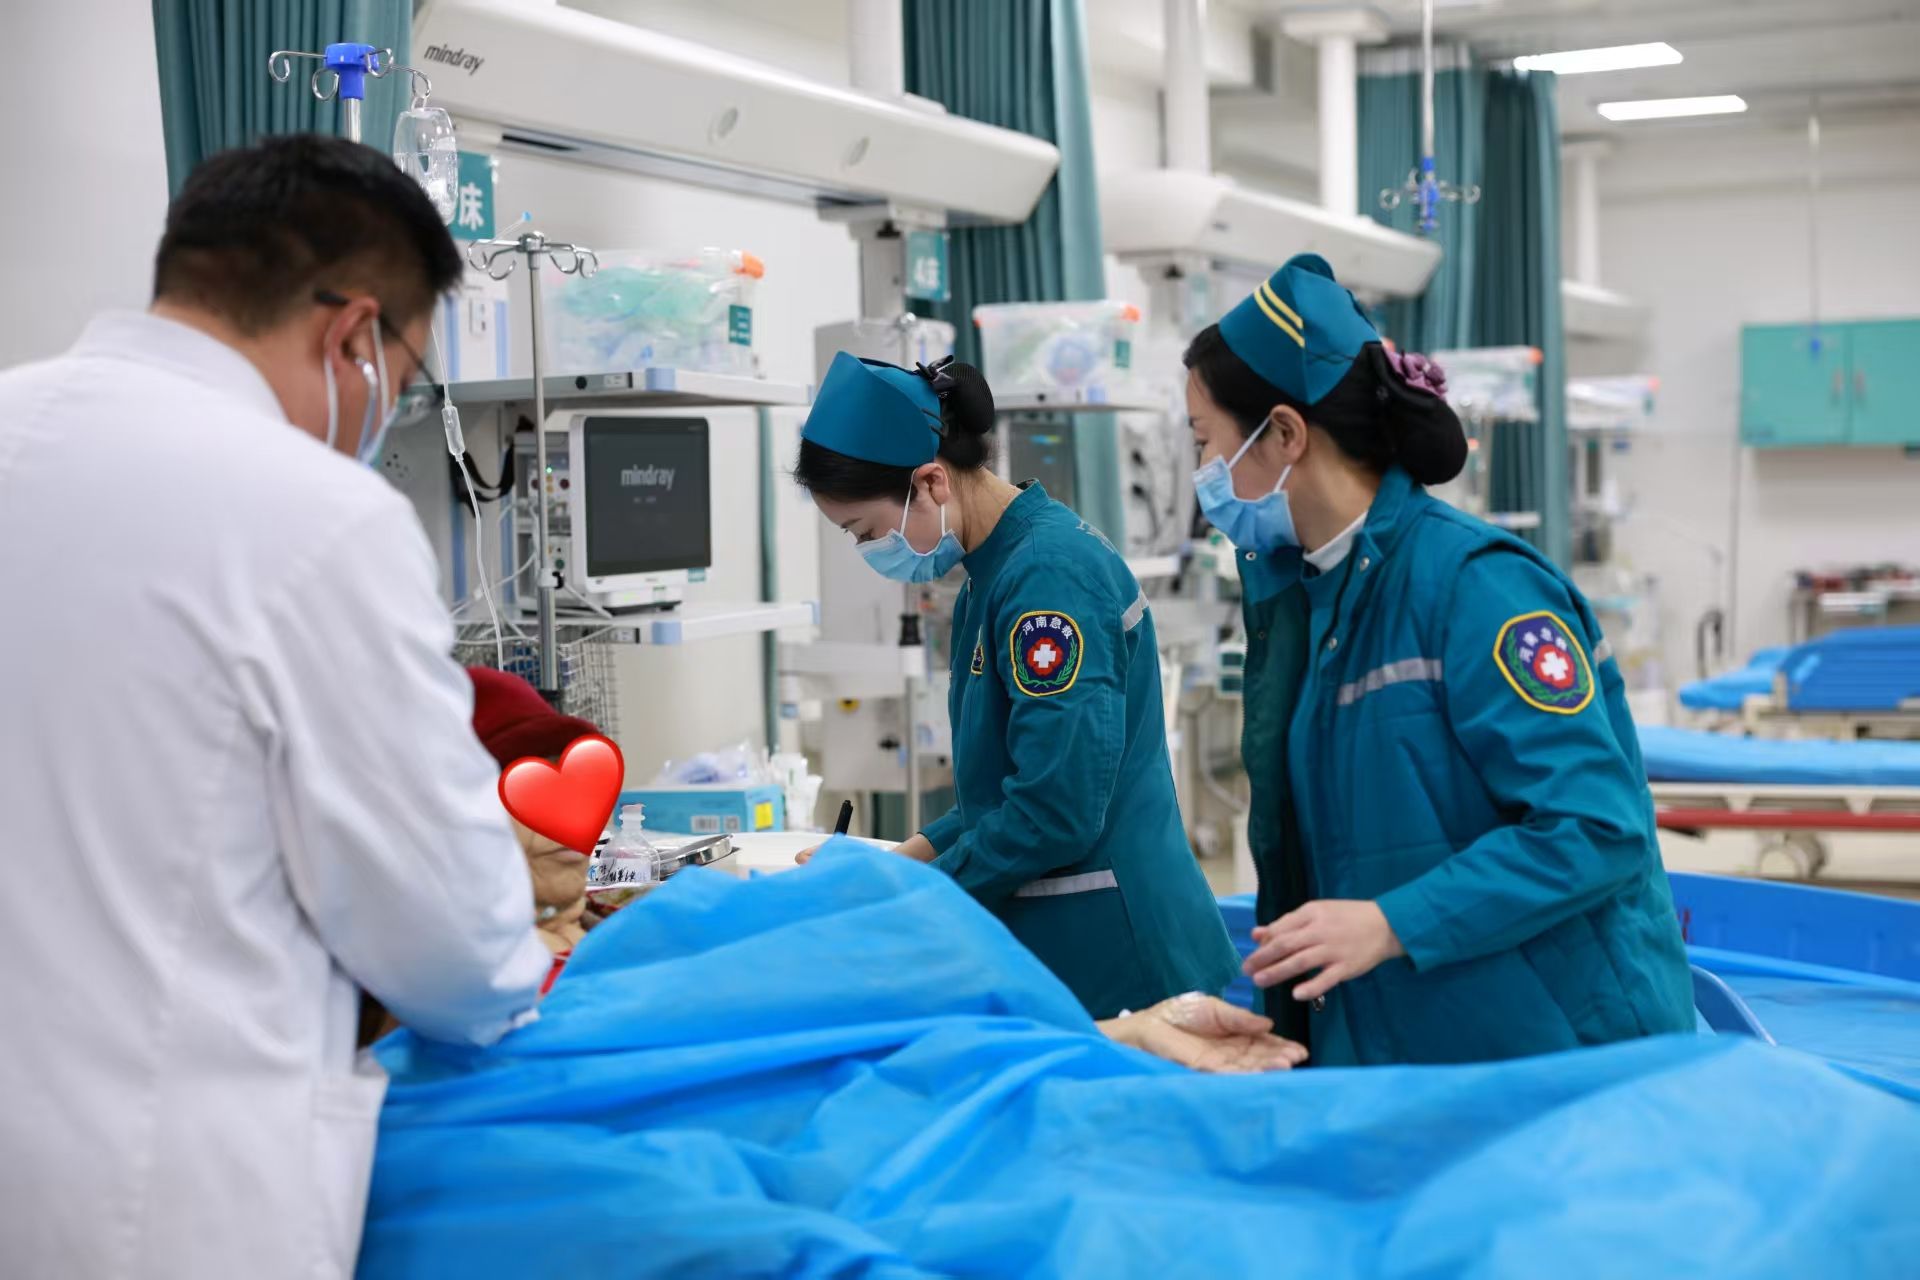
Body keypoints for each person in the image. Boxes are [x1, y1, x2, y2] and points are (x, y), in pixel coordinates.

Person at [0, 135, 552, 1277]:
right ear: (353, 336)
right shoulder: (315, 518)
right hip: (159, 1202)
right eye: (403, 382)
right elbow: (456, 949)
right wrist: (508, 929)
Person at [1187, 253, 1694, 1065]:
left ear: (1284, 434)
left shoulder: (1478, 589)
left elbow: (1595, 826)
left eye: (1205, 442)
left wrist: (1394, 924)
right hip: (1412, 1042)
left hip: (1557, 1052)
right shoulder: (1307, 598)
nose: (1202, 476)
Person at [791, 351, 1244, 1022]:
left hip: (1121, 952)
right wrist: (898, 863)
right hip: (1073, 940)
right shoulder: (992, 571)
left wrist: (916, 895)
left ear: (931, 482)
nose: (870, 551)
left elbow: (1055, 808)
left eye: (867, 530)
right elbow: (1002, 784)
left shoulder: (1047, 578)